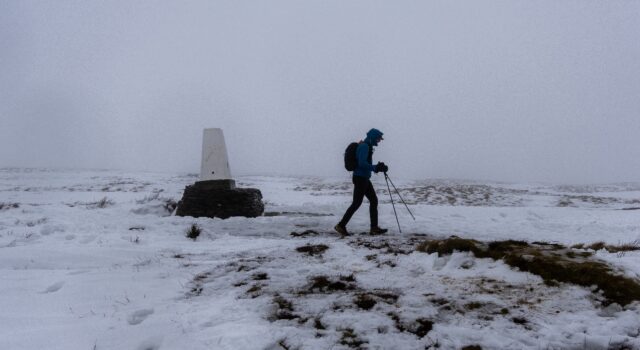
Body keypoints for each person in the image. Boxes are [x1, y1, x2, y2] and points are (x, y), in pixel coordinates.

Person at [335, 128, 389, 235]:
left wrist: (377, 167)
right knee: (357, 203)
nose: (379, 141)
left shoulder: (367, 146)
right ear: (373, 137)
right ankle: (341, 226)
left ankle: (374, 228)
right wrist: (375, 168)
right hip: (360, 178)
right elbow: (362, 164)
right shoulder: (364, 146)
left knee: (373, 200)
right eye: (378, 139)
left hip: (363, 178)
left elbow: (364, 164)